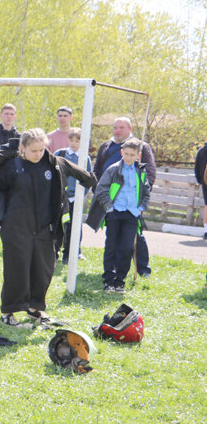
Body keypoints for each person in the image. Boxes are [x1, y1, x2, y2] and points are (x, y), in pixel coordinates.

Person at [0, 129, 96, 327]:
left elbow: (82, 174)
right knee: (17, 270)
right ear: (22, 148)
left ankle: (36, 309)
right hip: (16, 227)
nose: (38, 154)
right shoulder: (12, 165)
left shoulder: (54, 164)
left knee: (43, 270)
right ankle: (8, 312)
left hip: (44, 228)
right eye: (33, 150)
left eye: (41, 149)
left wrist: (90, 180)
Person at [92, 117, 156, 277]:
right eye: (115, 127)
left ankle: (142, 269)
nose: (117, 130)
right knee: (113, 239)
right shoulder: (106, 146)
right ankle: (112, 271)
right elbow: (97, 170)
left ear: (130, 128)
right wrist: (101, 195)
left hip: (133, 204)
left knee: (136, 238)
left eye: (121, 127)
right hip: (111, 200)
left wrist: (141, 200)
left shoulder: (141, 146)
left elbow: (149, 172)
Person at [86, 138, 150, 294]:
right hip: (115, 213)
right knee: (111, 247)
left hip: (132, 214)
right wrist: (109, 207)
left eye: (132, 154)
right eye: (126, 154)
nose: (128, 157)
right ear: (122, 152)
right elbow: (101, 190)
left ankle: (120, 280)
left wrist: (141, 208)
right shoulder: (113, 169)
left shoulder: (141, 172)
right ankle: (109, 280)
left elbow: (146, 191)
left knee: (127, 248)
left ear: (138, 155)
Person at [54, 127, 91, 263]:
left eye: (77, 140)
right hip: (60, 196)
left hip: (75, 197)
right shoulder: (60, 153)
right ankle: (54, 251)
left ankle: (70, 253)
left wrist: (80, 196)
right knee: (58, 225)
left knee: (73, 226)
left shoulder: (84, 157)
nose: (74, 143)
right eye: (72, 140)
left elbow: (88, 178)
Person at [196, 141, 207, 240]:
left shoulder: (202, 151)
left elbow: (197, 166)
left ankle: (206, 231)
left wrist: (200, 180)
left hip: (205, 181)